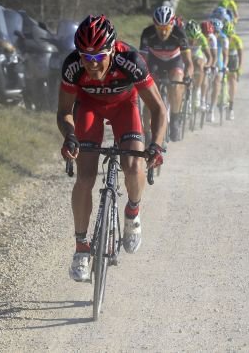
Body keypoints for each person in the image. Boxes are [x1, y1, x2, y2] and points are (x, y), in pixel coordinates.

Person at [57, 15, 167, 281]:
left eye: (98, 58)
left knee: (132, 165)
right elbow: (64, 112)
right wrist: (70, 136)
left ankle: (133, 211)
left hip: (124, 107)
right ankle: (81, 249)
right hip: (90, 108)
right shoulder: (73, 66)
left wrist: (156, 145)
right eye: (86, 58)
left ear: (111, 50)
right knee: (84, 177)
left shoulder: (130, 61)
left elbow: (158, 109)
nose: (92, 65)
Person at [139, 5, 194, 142]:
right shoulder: (147, 33)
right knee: (149, 98)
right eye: (159, 29)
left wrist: (188, 76)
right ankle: (147, 134)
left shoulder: (179, 33)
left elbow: (188, 62)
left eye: (166, 29)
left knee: (176, 83)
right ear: (154, 25)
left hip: (174, 61)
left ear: (172, 24)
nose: (163, 33)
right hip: (155, 62)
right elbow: (142, 61)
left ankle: (175, 118)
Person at [184, 20, 212, 114]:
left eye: (195, 38)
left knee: (200, 64)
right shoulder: (182, 38)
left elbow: (209, 57)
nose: (193, 41)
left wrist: (207, 65)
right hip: (184, 55)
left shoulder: (202, 38)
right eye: (190, 39)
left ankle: (197, 90)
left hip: (197, 55)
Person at [208, 18, 229, 122]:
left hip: (218, 62)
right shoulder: (207, 36)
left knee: (217, 82)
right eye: (214, 31)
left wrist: (224, 66)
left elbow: (225, 55)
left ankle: (211, 110)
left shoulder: (223, 38)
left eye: (217, 31)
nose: (215, 33)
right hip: (207, 61)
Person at [223, 20, 243, 121]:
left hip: (233, 59)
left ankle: (231, 105)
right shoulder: (221, 39)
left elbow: (240, 55)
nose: (228, 38)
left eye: (230, 36)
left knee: (232, 79)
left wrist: (239, 68)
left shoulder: (236, 40)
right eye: (226, 36)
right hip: (223, 58)